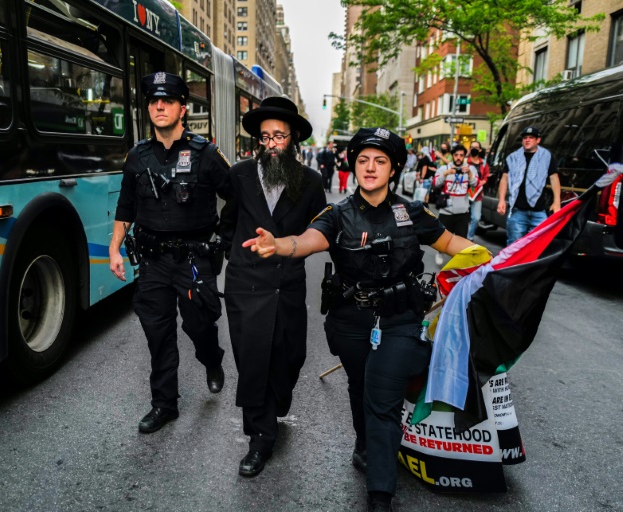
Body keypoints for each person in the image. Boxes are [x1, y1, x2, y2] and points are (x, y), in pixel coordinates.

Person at [242, 127, 474, 512]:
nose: (370, 167)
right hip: (350, 321)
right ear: (354, 166)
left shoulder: (412, 213)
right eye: (364, 160)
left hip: (400, 320)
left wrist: (493, 259)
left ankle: (380, 492)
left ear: (394, 168)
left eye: (380, 161)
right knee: (360, 385)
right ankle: (364, 443)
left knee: (382, 399)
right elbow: (307, 240)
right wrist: (279, 245)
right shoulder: (338, 214)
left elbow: (451, 243)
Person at [108, 72, 230, 434]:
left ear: (182, 108)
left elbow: (236, 198)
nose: (159, 106)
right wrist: (114, 248)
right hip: (152, 261)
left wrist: (224, 238)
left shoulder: (206, 154)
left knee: (199, 326)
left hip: (194, 260)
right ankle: (164, 405)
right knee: (157, 334)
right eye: (153, 101)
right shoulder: (137, 157)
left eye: (168, 101)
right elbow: (125, 208)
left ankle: (212, 359)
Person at [219, 96, 326, 477]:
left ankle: (276, 405)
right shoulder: (241, 175)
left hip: (288, 285)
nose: (271, 144)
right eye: (265, 137)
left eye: (279, 136)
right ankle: (260, 437)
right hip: (245, 286)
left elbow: (320, 231)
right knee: (253, 362)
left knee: (289, 359)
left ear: (293, 138)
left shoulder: (311, 182)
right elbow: (228, 223)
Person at [497, 126, 561, 245]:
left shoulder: (546, 156)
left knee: (538, 247)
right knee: (514, 247)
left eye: (531, 137)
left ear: (538, 140)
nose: (527, 140)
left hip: (539, 211)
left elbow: (554, 178)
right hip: (518, 211)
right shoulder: (513, 157)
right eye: (525, 138)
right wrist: (501, 200)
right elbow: (504, 179)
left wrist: (557, 201)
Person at [432, 144, 477, 265]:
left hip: (463, 211)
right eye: (456, 155)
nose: (458, 158)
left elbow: (475, 184)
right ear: (452, 156)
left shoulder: (470, 169)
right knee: (442, 236)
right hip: (446, 210)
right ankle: (440, 252)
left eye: (461, 155)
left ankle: (458, 261)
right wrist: (446, 173)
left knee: (462, 239)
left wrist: (470, 174)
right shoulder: (444, 168)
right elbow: (435, 183)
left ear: (464, 157)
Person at [466, 141, 490, 239]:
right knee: (462, 218)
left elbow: (486, 177)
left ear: (480, 150)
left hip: (477, 194)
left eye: (476, 147)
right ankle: (461, 238)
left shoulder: (483, 163)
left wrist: (482, 182)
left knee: (476, 218)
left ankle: (469, 238)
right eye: (472, 147)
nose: (474, 149)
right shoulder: (465, 161)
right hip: (464, 193)